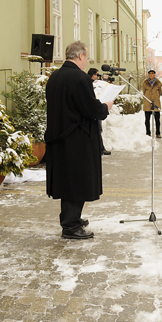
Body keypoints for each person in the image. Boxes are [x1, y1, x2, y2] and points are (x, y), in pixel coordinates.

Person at [45, 41, 112, 238]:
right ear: (81, 56)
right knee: (77, 181)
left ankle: (73, 217)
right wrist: (105, 106)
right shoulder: (80, 78)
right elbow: (90, 109)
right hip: (77, 140)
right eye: (87, 57)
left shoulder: (55, 76)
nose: (86, 61)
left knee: (68, 181)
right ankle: (70, 226)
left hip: (60, 137)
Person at [88, 68, 110, 154]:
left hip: (97, 107)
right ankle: (100, 148)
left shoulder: (96, 83)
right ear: (93, 75)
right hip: (94, 109)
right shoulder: (90, 84)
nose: (98, 76)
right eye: (97, 74)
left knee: (98, 129)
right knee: (97, 129)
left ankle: (100, 148)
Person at [142, 69, 162, 138]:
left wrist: (155, 98)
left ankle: (158, 133)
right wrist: (148, 98)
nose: (151, 75)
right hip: (148, 104)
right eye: (150, 73)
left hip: (156, 103)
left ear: (154, 74)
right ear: (148, 75)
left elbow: (159, 92)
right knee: (147, 120)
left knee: (157, 120)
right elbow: (144, 92)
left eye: (152, 73)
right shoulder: (145, 82)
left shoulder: (158, 83)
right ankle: (148, 132)